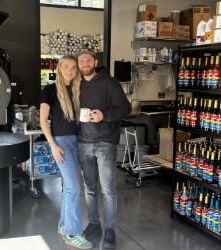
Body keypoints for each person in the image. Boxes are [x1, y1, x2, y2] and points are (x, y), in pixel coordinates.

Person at [75, 49, 132, 249]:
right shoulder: (76, 84)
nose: (84, 63)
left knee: (108, 190)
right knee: (89, 188)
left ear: (95, 62)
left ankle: (110, 229)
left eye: (88, 60)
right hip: (83, 142)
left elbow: (125, 108)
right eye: (81, 61)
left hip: (105, 142)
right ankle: (93, 224)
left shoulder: (109, 82)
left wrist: (104, 116)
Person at [40, 54, 92, 250]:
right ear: (59, 68)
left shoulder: (78, 89)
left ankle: (63, 225)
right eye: (66, 67)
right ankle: (72, 233)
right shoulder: (50, 90)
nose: (70, 71)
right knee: (73, 187)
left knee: (70, 187)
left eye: (73, 68)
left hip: (76, 141)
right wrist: (53, 145)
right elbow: (43, 120)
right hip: (61, 142)